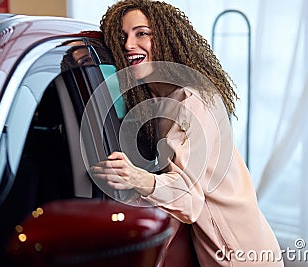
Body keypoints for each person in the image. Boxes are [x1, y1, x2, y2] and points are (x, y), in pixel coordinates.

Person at [92, 0, 284, 266]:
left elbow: (189, 199)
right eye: (122, 37)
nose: (128, 45)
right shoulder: (159, 102)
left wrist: (136, 177)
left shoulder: (191, 101)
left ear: (167, 38)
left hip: (236, 254)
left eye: (142, 33)